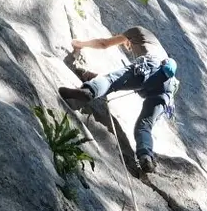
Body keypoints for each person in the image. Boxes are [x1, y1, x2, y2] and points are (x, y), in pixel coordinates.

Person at [59, 26, 180, 174]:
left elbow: (104, 44)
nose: (127, 47)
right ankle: (146, 156)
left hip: (150, 66)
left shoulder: (137, 30)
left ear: (128, 39)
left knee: (110, 81)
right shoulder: (158, 49)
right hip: (168, 87)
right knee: (145, 125)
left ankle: (88, 91)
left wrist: (80, 44)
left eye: (126, 43)